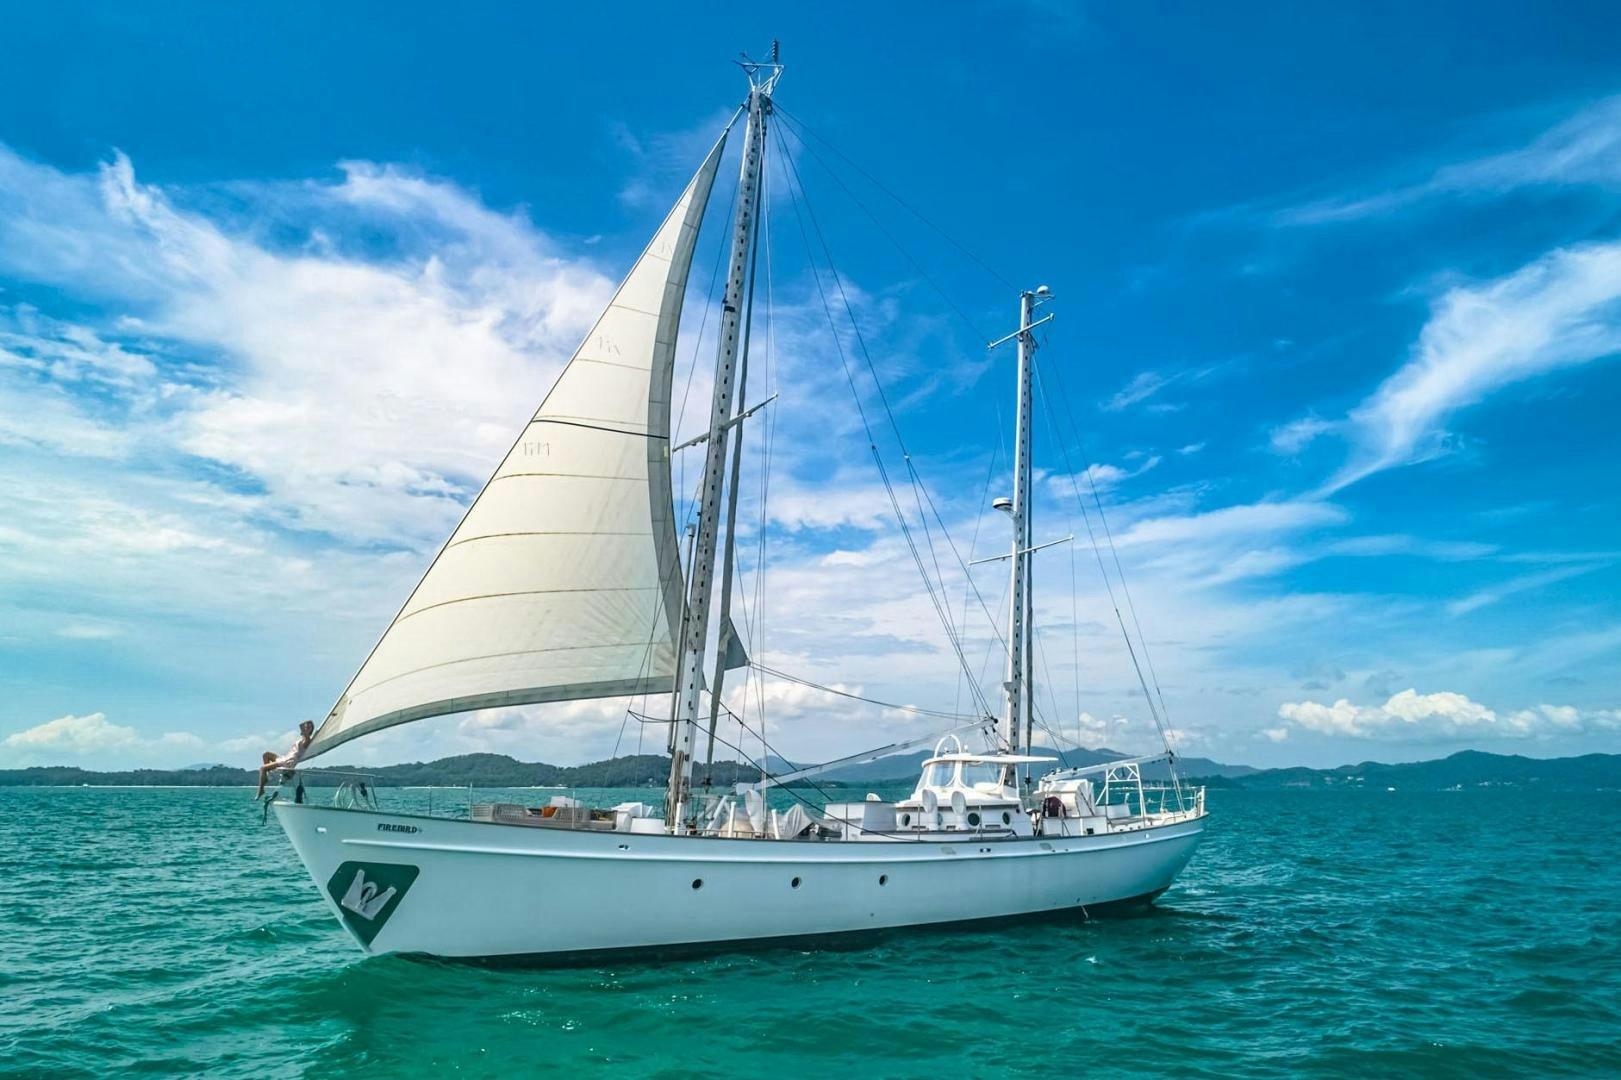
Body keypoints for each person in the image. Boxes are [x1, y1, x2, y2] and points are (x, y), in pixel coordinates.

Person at [256, 720, 315, 799]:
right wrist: (308, 724)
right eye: (306, 726)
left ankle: (261, 790)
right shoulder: (302, 739)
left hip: (288, 761)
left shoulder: (307, 740)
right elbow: (302, 726)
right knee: (266, 755)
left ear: (310, 730)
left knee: (262, 768)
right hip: (285, 758)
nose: (306, 727)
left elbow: (301, 725)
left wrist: (308, 722)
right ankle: (267, 776)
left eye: (309, 727)